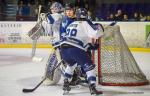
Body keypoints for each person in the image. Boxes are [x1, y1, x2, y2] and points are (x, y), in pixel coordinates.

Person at [58, 8, 104, 95]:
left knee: (71, 65)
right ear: (86, 15)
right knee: (90, 67)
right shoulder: (86, 23)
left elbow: (78, 39)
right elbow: (96, 34)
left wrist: (89, 46)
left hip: (64, 49)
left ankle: (66, 83)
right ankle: (93, 87)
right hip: (75, 49)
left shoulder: (72, 24)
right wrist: (100, 27)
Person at [40, 2, 64, 85]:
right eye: (52, 9)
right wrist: (43, 22)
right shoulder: (57, 16)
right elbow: (49, 30)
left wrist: (44, 17)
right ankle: (51, 77)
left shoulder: (60, 15)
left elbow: (50, 18)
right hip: (57, 44)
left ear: (58, 9)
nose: (52, 10)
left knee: (59, 62)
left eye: (54, 8)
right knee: (55, 62)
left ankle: (52, 78)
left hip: (60, 44)